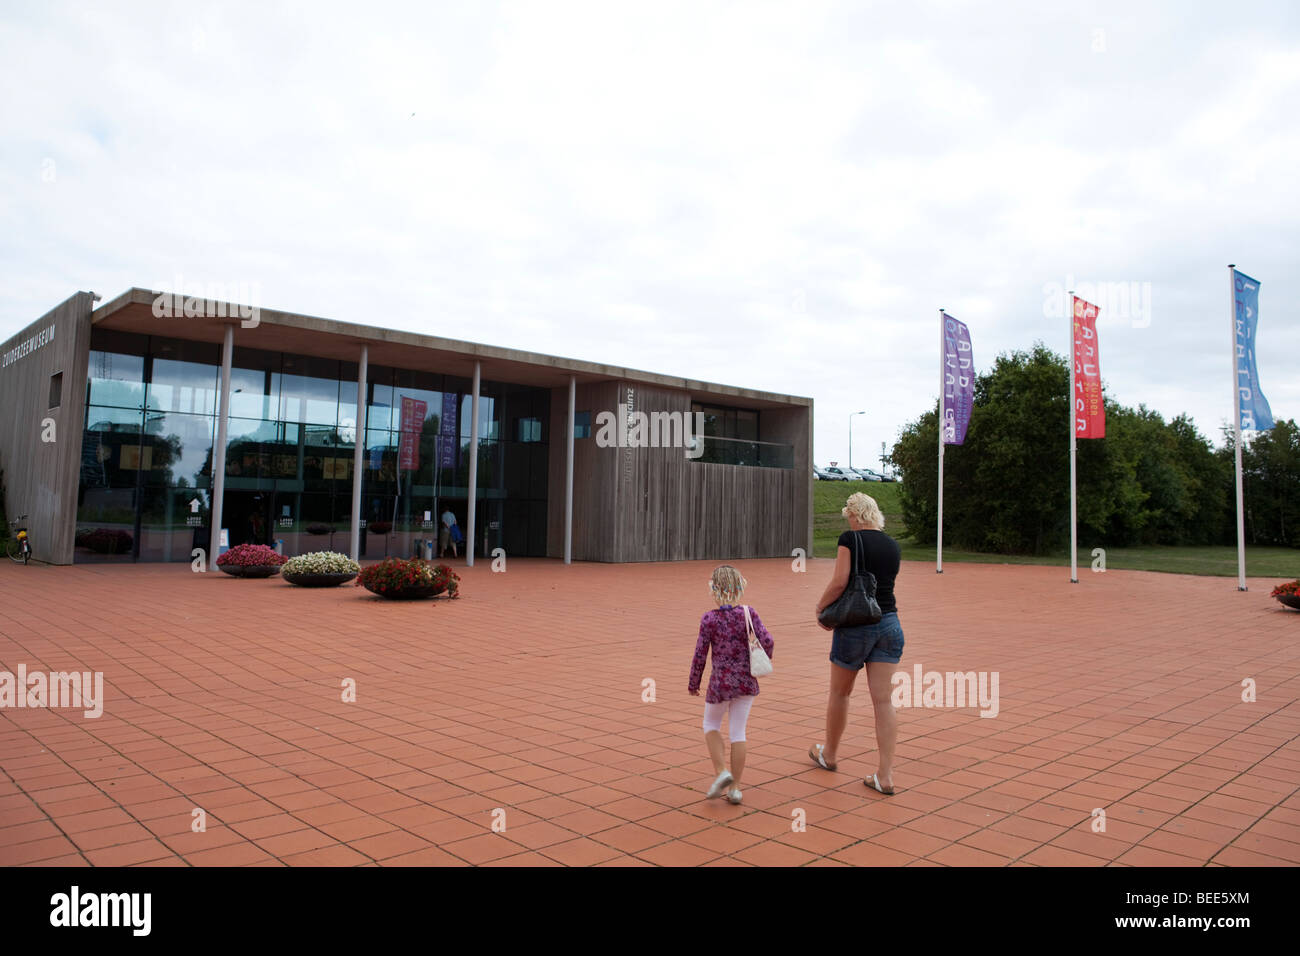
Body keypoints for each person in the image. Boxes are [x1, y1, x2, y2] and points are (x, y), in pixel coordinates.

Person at [809, 492, 903, 795]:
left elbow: (841, 580)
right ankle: (885, 774)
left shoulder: (850, 538)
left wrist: (821, 608)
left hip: (855, 626)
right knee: (884, 701)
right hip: (889, 623)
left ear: (854, 514)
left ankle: (831, 754)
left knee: (840, 692)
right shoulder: (893, 545)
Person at [688, 565, 774, 805]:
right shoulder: (749, 613)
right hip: (747, 680)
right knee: (738, 731)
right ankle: (735, 788)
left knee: (710, 724)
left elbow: (700, 654)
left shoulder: (710, 619)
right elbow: (768, 640)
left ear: (714, 589)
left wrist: (694, 682)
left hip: (720, 682)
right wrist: (760, 658)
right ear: (740, 587)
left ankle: (721, 771)